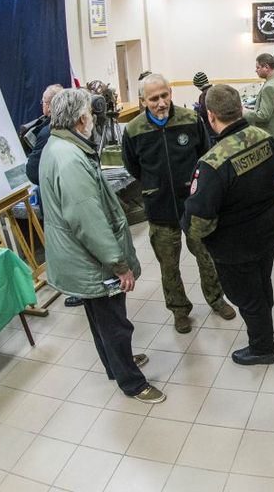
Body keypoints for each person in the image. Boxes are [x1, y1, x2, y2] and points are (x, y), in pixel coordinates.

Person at [39, 89, 164, 404]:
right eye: (91, 115)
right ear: (81, 118)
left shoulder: (59, 146)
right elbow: (87, 220)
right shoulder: (69, 160)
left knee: (101, 319)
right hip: (92, 260)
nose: (94, 120)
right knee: (115, 323)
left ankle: (117, 365)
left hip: (81, 257)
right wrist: (118, 264)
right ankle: (132, 383)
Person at [122, 73, 236, 334]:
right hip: (159, 208)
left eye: (165, 95)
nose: (161, 103)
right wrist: (155, 184)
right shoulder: (134, 130)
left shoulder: (189, 119)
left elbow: (204, 156)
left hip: (193, 206)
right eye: (154, 99)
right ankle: (179, 310)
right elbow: (133, 166)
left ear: (170, 92)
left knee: (206, 256)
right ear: (142, 101)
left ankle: (217, 299)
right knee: (169, 264)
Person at [182, 85, 274, 366]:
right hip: (268, 228)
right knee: (262, 284)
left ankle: (262, 348)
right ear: (240, 109)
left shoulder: (213, 163)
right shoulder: (265, 138)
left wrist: (193, 232)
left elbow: (199, 220)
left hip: (235, 243)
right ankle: (264, 329)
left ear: (211, 117)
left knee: (245, 295)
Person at [24, 83, 82, 307]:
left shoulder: (48, 132)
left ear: (50, 105)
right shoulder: (73, 126)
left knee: (68, 242)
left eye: (44, 102)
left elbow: (33, 172)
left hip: (57, 197)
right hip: (71, 193)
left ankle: (78, 288)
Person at [245, 53, 274, 183]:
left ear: (266, 67)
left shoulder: (270, 86)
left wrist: (244, 113)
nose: (256, 70)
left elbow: (263, 115)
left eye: (258, 67)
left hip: (272, 135)